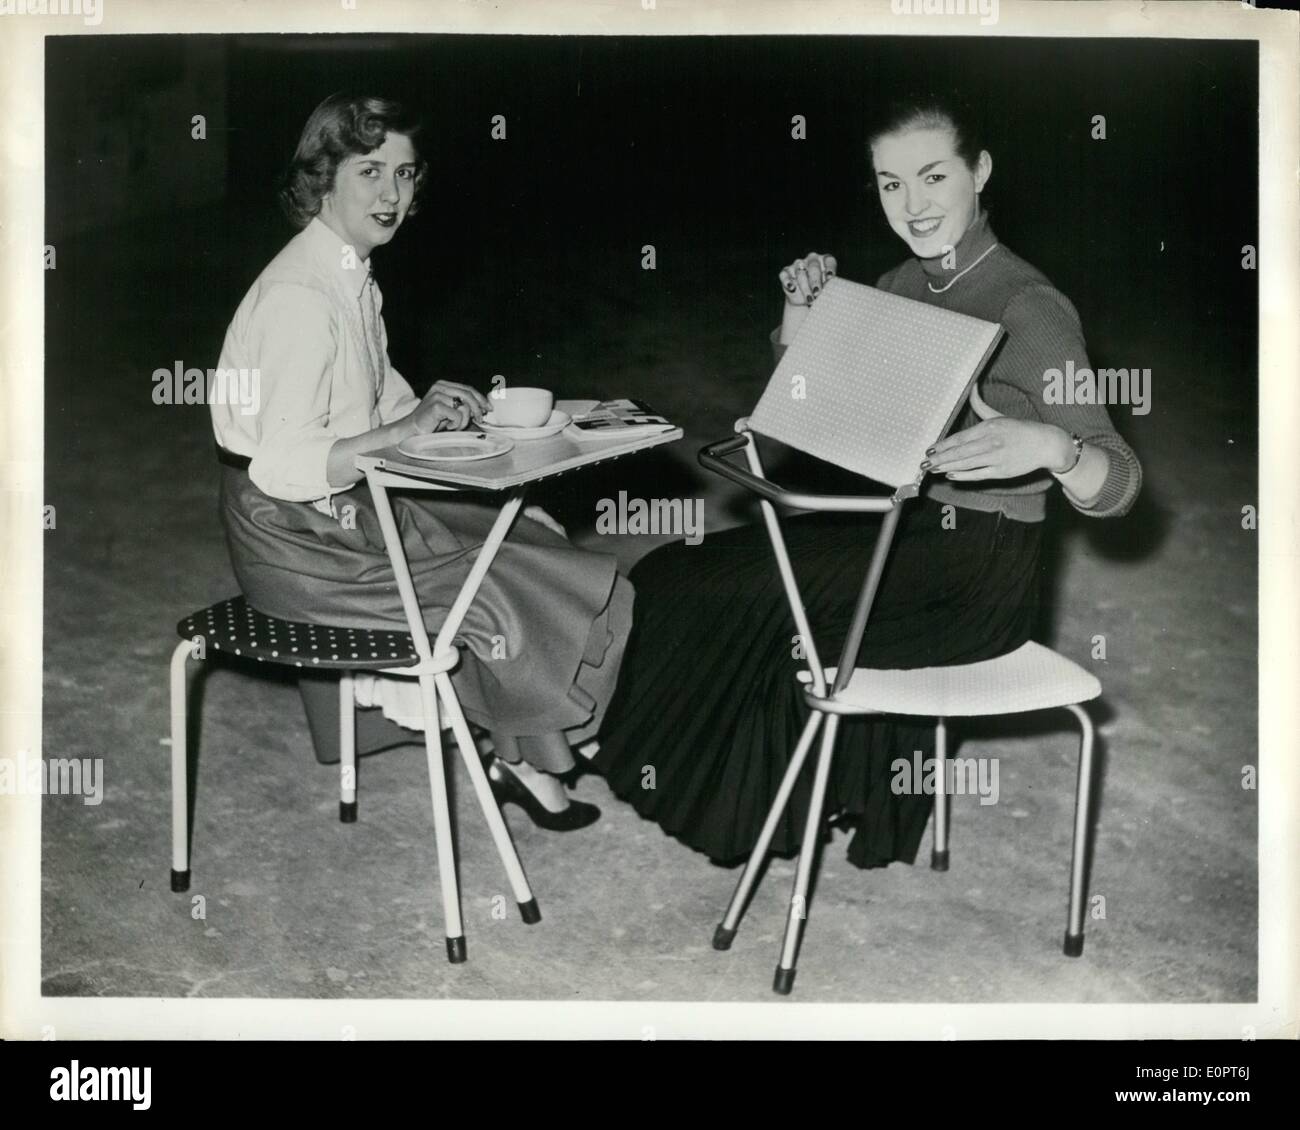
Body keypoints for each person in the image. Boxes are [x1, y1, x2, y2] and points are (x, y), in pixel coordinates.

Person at [592, 89, 1141, 868]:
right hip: (899, 527)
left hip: (978, 572)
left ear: (980, 172)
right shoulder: (899, 285)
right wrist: (799, 317)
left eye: (933, 177)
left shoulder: (1032, 307)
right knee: (681, 568)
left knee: (757, 607)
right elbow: (814, 415)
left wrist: (1052, 447)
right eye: (891, 184)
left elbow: (1118, 479)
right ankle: (671, 772)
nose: (913, 205)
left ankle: (753, 816)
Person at [209, 93, 632, 830]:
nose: (391, 195)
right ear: (322, 177)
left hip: (341, 508)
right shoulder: (300, 298)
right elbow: (285, 464)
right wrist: (400, 429)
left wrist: (425, 413)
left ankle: (529, 749)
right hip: (296, 536)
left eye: (404, 175)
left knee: (526, 529)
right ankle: (530, 752)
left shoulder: (348, 272)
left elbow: (369, 404)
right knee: (505, 577)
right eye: (369, 171)